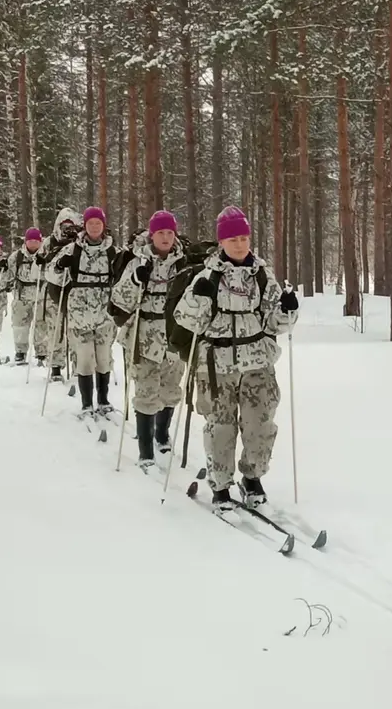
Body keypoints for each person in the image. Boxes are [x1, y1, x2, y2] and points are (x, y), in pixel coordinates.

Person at [171, 206, 298, 509]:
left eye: (244, 238)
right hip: (217, 365)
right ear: (222, 242)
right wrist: (195, 297)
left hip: (258, 364)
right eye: (233, 239)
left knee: (260, 425)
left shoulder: (263, 277)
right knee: (221, 427)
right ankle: (220, 485)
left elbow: (277, 324)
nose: (240, 244)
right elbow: (185, 319)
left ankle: (252, 478)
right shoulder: (208, 276)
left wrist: (287, 308)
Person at [109, 210, 186, 469]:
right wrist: (134, 280)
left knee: (171, 387)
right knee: (145, 389)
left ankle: (161, 433)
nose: (166, 238)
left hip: (173, 334)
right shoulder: (138, 261)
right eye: (160, 233)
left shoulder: (184, 262)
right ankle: (145, 449)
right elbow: (118, 300)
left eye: (170, 233)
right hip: (143, 333)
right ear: (152, 235)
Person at [44, 206, 120, 416]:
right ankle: (87, 403)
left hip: (105, 312)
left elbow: (124, 278)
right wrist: (59, 265)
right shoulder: (72, 249)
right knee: (85, 359)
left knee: (104, 358)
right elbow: (51, 275)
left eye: (98, 223)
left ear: (103, 226)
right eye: (90, 223)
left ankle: (103, 400)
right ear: (84, 226)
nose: (94, 227)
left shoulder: (113, 251)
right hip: (79, 312)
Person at [41, 209, 82, 383]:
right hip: (53, 290)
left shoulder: (80, 242)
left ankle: (78, 366)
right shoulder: (49, 241)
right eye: (64, 225)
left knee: (75, 330)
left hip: (75, 291)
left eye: (70, 225)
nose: (67, 229)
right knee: (55, 328)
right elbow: (40, 263)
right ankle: (56, 366)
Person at [9, 227, 48, 366]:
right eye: (30, 241)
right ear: (25, 242)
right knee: (20, 326)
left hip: (41, 295)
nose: (33, 244)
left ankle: (42, 353)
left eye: (36, 241)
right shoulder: (16, 257)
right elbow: (8, 275)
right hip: (22, 296)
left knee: (42, 325)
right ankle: (20, 352)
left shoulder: (46, 254)